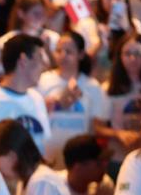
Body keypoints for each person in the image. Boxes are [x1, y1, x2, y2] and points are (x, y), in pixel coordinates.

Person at [0, 33, 52, 153]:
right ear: (23, 60)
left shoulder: (37, 99)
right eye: (40, 58)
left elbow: (45, 144)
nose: (44, 66)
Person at [37, 29, 106, 169]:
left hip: (78, 161)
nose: (63, 56)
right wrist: (57, 103)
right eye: (58, 50)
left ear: (81, 54)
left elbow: (96, 128)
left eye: (69, 52)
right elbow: (34, 116)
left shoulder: (92, 86)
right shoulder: (42, 81)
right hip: (47, 156)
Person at [96, 32, 141, 166]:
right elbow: (97, 127)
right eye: (127, 54)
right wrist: (119, 134)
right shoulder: (108, 88)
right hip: (118, 157)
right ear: (120, 57)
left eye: (138, 53)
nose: (132, 58)